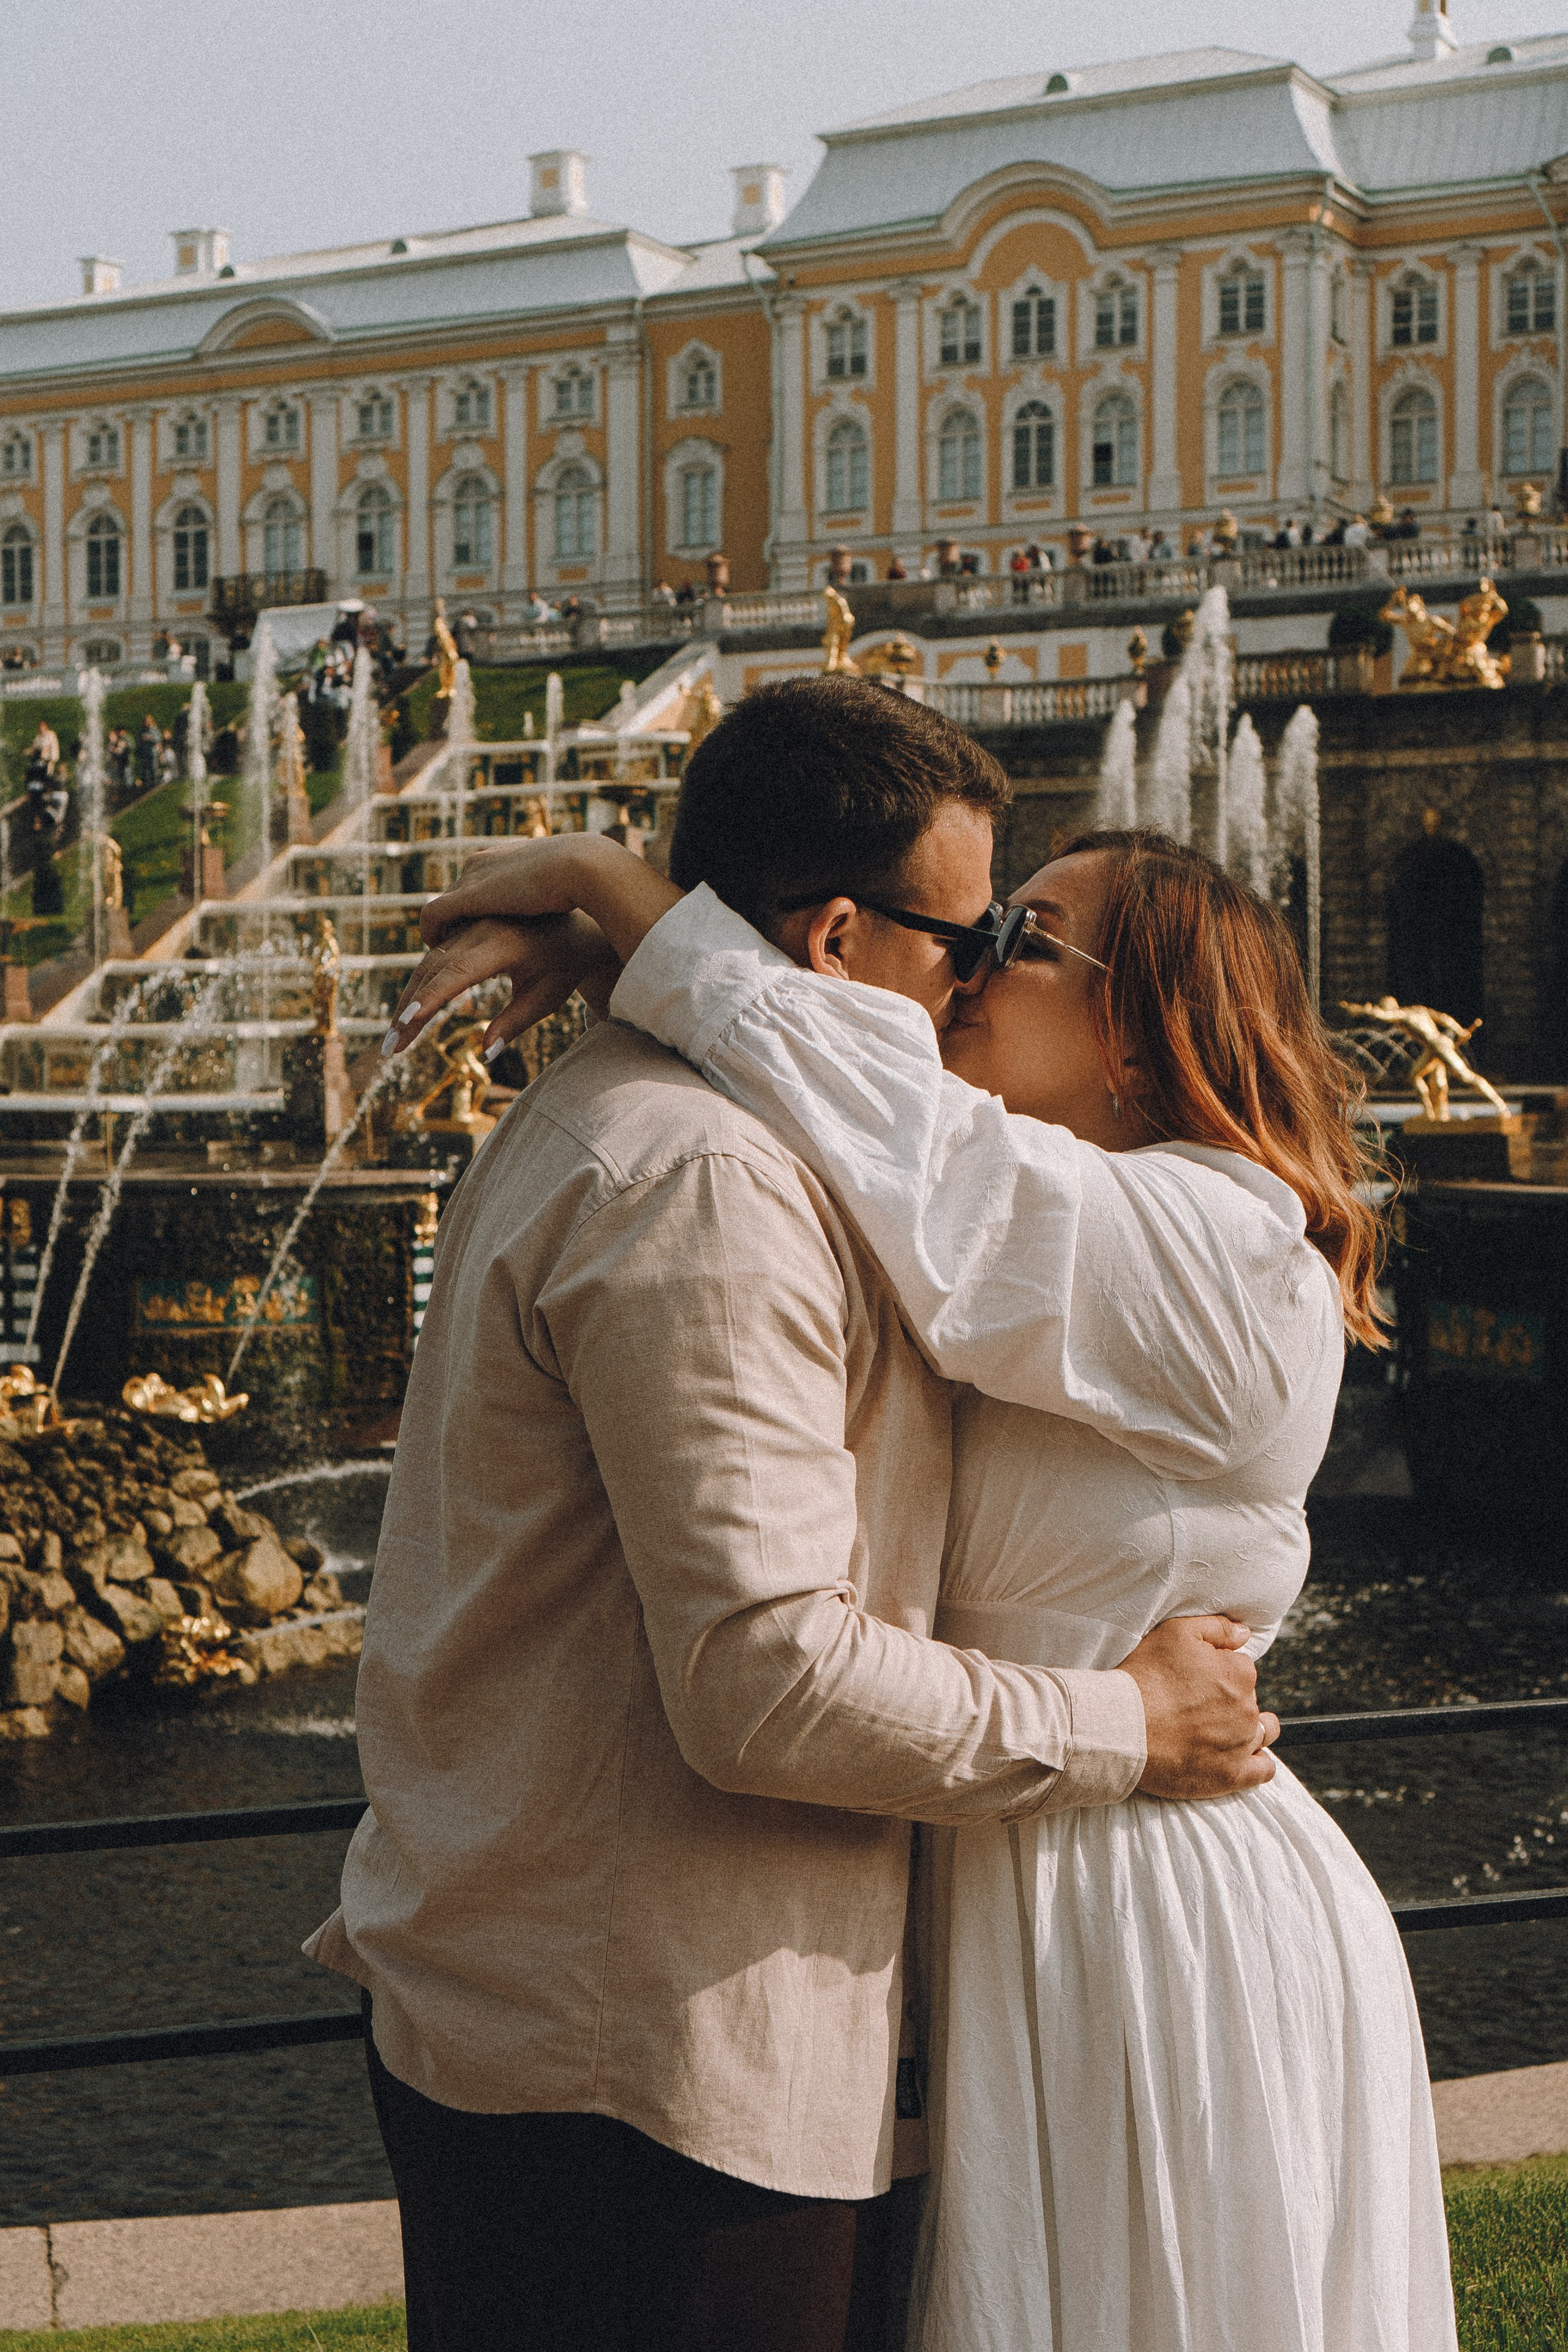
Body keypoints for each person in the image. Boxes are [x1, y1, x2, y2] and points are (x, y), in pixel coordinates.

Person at [392, 802, 1457, 2352]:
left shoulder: (1219, 1253)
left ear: (1143, 1038)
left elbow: (911, 1137)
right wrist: (654, 958)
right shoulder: (1027, 1231)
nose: (969, 964)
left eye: (1022, 941)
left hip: (1137, 1900)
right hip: (1013, 1851)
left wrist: (619, 893)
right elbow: (863, 1104)